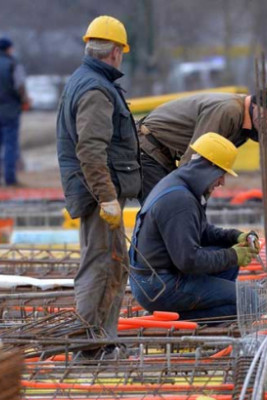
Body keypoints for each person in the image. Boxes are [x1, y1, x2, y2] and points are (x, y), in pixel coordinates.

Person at [56, 16, 140, 353]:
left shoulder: (88, 80)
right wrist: (106, 197)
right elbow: (90, 150)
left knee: (113, 265)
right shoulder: (95, 89)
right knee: (101, 267)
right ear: (116, 51)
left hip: (97, 192)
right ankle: (90, 348)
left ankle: (102, 342)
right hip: (98, 195)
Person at [129, 133, 259, 321]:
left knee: (227, 263)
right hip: (158, 287)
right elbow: (189, 261)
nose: (222, 182)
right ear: (210, 169)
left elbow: (202, 231)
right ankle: (176, 317)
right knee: (250, 302)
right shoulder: (180, 201)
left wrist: (235, 237)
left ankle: (199, 305)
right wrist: (232, 255)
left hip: (156, 278)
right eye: (221, 174)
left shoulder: (181, 185)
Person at [137, 79, 267, 202]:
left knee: (173, 210)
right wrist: (193, 204)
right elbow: (194, 159)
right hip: (149, 147)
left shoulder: (244, 125)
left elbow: (209, 166)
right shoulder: (229, 112)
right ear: (256, 103)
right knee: (166, 211)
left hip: (162, 153)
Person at [0, 36, 28, 186]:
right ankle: (10, 179)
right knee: (10, 145)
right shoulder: (13, 64)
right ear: (8, 48)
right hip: (10, 110)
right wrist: (25, 101)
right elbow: (20, 86)